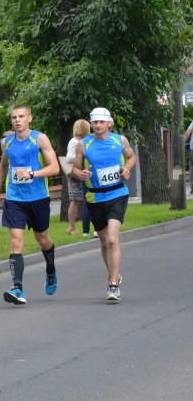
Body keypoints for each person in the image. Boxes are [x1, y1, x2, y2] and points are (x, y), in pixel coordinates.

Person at [0, 105, 61, 305]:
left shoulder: (39, 139)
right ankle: (18, 288)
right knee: (16, 242)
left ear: (30, 118)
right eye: (14, 117)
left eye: (21, 116)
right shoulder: (7, 142)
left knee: (43, 240)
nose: (17, 120)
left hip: (38, 198)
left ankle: (50, 269)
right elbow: (4, 165)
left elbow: (55, 168)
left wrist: (32, 173)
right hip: (15, 199)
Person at [71, 107, 137, 301]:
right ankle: (113, 274)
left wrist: (127, 169)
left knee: (111, 239)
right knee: (102, 240)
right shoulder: (83, 144)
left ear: (109, 124)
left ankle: (113, 284)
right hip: (94, 197)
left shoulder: (119, 140)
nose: (98, 125)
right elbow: (74, 168)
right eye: (95, 122)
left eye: (102, 122)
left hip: (117, 193)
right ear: (91, 124)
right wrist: (80, 174)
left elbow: (131, 157)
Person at [65, 119, 93, 237]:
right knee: (75, 200)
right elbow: (69, 158)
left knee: (80, 199)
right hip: (75, 173)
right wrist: (80, 155)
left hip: (81, 171)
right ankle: (71, 228)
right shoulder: (75, 141)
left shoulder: (82, 140)